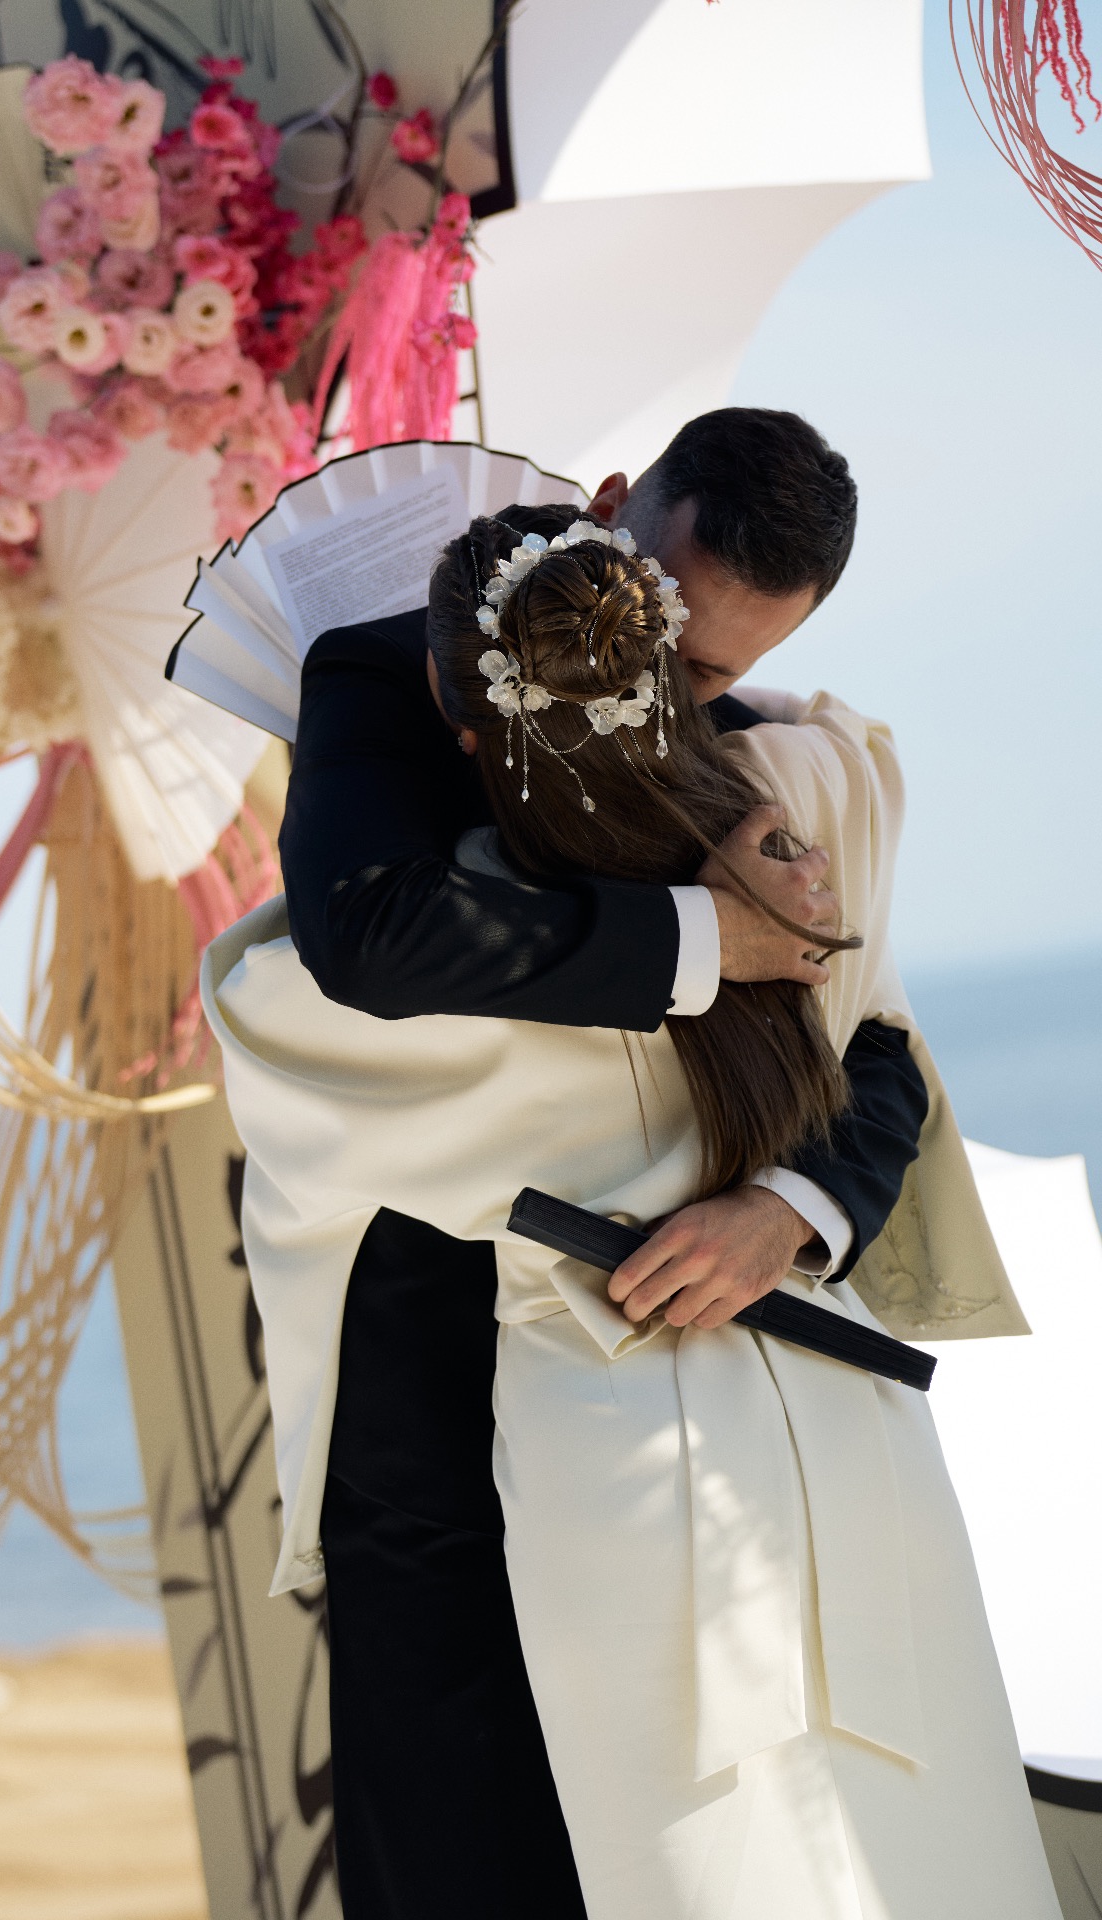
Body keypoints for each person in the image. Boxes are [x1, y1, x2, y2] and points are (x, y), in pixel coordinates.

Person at [203, 509, 1055, 1917]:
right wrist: (719, 947)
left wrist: (786, 1210)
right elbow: (882, 1053)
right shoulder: (789, 847)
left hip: (654, 1453)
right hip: (560, 1451)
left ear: (463, 718)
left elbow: (879, 1056)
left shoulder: (313, 997)